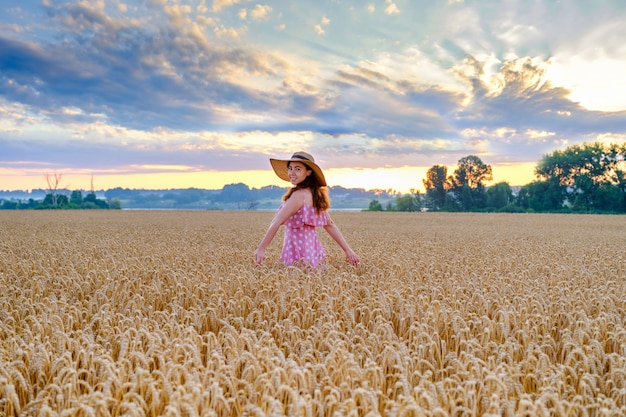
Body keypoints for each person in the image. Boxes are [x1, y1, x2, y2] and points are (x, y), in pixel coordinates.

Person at [254, 151, 360, 269]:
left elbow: (276, 221)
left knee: (295, 284)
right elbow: (329, 224)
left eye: (298, 169)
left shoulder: (299, 195)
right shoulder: (314, 195)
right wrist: (348, 250)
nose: (292, 173)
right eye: (290, 168)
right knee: (313, 284)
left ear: (308, 172)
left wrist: (261, 248)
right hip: (314, 251)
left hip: (296, 251)